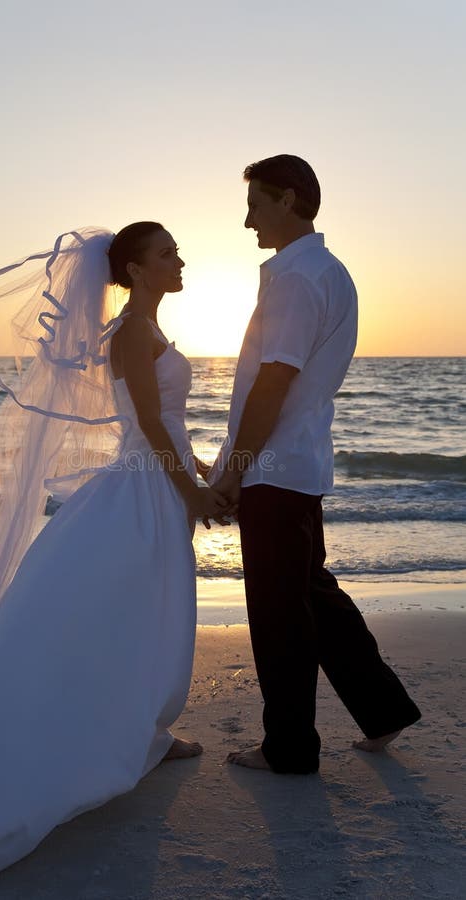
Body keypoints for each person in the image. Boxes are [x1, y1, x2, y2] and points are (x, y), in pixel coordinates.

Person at [0, 222, 230, 898]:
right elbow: (152, 427)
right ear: (135, 266)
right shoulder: (132, 330)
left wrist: (210, 473)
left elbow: (173, 424)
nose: (179, 259)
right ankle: (83, 740)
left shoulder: (147, 328)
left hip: (156, 486)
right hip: (140, 491)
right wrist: (192, 487)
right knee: (113, 616)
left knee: (145, 614)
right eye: (167, 252)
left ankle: (148, 732)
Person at [211, 155, 421, 774]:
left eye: (255, 203)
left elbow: (274, 382)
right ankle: (383, 710)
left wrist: (232, 470)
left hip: (277, 470)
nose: (247, 219)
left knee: (280, 614)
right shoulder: (324, 271)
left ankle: (290, 749)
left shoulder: (300, 280)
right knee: (311, 596)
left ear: (288, 199)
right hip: (296, 463)